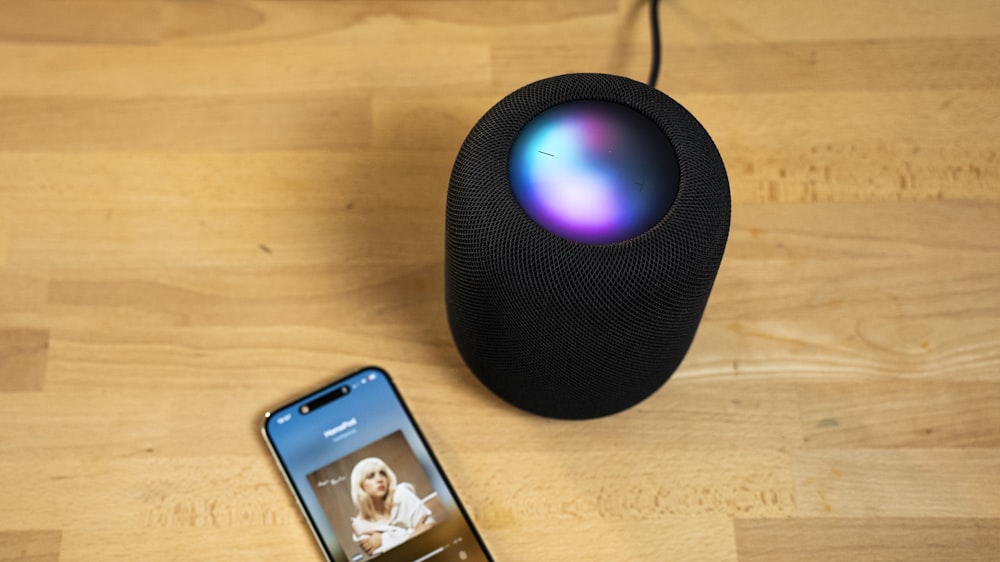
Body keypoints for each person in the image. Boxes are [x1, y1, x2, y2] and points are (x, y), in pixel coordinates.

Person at [350, 457, 435, 556]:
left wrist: (384, 539)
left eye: (383, 474)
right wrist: (415, 532)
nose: (379, 479)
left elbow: (429, 527)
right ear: (360, 485)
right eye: (370, 476)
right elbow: (391, 557)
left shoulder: (402, 494)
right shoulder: (360, 525)